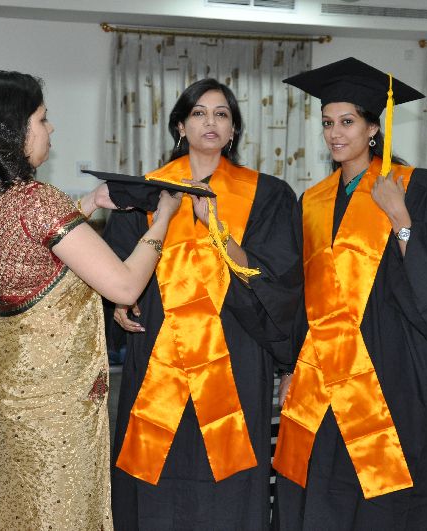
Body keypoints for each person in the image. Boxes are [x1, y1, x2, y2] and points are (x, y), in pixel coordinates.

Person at [0, 70, 182, 530]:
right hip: (46, 400)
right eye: (42, 119)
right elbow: (125, 286)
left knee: (19, 511)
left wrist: (90, 202)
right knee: (56, 512)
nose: (51, 128)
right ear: (14, 131)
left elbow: (26, 254)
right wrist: (163, 220)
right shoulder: (37, 200)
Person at [272, 57, 427, 530]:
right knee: (321, 468)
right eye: (327, 123)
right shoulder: (312, 201)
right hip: (321, 365)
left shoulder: (418, 187)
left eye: (347, 122)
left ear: (372, 129)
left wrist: (400, 217)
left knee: (386, 478)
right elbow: (300, 291)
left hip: (390, 361)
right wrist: (290, 367)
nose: (335, 133)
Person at [104, 78, 302, 530]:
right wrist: (117, 303)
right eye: (198, 113)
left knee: (226, 476)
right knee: (155, 466)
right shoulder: (144, 192)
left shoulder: (268, 194)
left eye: (221, 114)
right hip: (158, 348)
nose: (210, 122)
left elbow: (277, 278)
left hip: (234, 350)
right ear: (180, 126)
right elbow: (116, 264)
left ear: (233, 130)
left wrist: (214, 226)